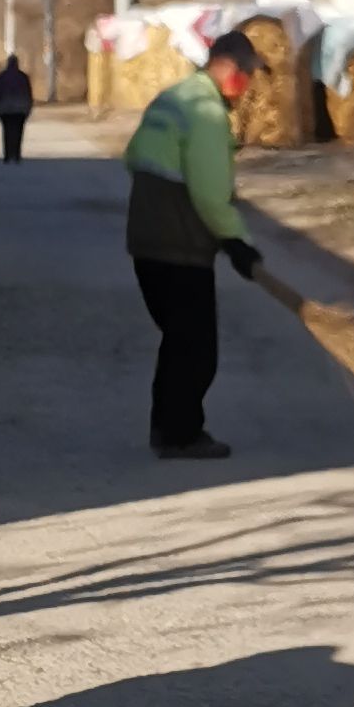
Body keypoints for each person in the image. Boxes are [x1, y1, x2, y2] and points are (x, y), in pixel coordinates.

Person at [122, 28, 266, 460]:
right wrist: (237, 240)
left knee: (177, 339)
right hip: (180, 243)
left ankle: (166, 429)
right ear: (231, 69)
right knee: (196, 348)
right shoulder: (205, 112)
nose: (248, 86)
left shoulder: (173, 97)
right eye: (247, 75)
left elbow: (133, 156)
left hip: (145, 237)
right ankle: (182, 434)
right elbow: (210, 192)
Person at [0, 53, 35, 163]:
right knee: (18, 132)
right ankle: (17, 154)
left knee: (7, 132)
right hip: (20, 109)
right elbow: (28, 93)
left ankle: (7, 155)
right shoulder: (23, 77)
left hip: (5, 109)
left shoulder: (2, 76)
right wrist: (29, 107)